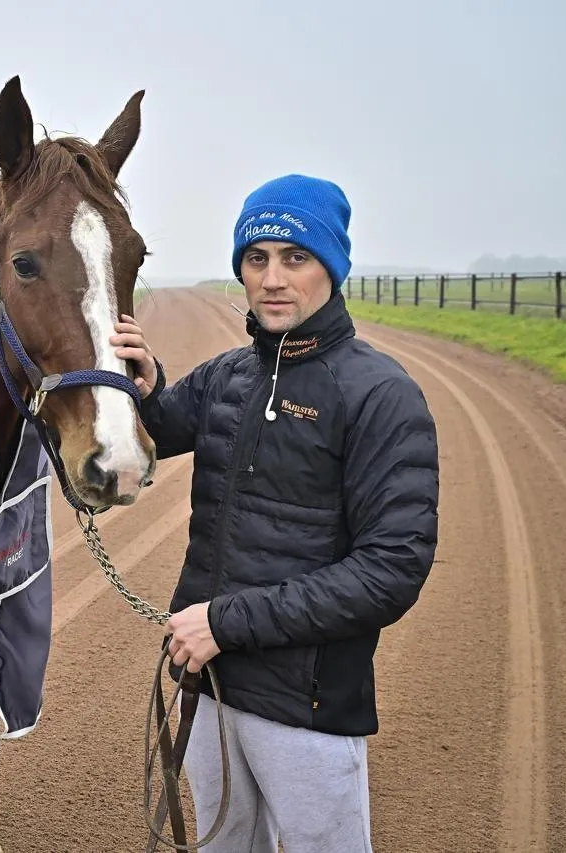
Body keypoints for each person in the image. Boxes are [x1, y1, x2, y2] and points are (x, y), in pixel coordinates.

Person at [111, 174, 439, 852]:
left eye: (296, 257)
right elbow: (153, 435)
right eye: (256, 259)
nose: (273, 279)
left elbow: (391, 571)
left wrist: (224, 622)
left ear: (332, 267)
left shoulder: (381, 395)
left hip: (305, 706)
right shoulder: (227, 376)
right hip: (210, 683)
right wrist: (140, 385)